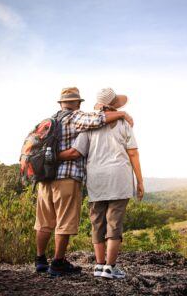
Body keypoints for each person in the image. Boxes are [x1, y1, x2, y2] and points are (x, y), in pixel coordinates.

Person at [34, 87, 133, 276]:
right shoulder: (75, 117)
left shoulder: (51, 120)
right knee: (64, 222)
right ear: (77, 103)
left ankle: (40, 261)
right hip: (66, 178)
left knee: (44, 222)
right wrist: (123, 113)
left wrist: (49, 158)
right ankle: (57, 263)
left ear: (61, 103)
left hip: (45, 178)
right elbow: (98, 120)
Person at [58, 88, 144, 279]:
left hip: (96, 179)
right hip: (119, 178)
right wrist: (140, 180)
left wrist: (50, 158)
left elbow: (76, 151)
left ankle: (99, 266)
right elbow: (133, 153)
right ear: (115, 105)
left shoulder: (89, 125)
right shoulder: (123, 123)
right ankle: (110, 268)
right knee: (114, 224)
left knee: (97, 224)